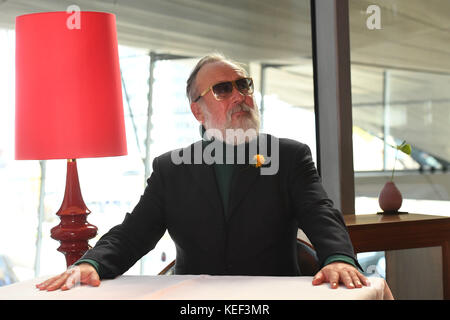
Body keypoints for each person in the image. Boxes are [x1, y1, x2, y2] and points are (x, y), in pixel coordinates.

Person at [37, 54, 369, 292]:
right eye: (224, 90)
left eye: (244, 84)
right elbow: (134, 233)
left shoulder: (289, 156)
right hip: (194, 298)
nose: (240, 95)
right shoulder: (170, 168)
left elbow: (319, 212)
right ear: (198, 110)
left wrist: (339, 257)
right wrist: (91, 263)